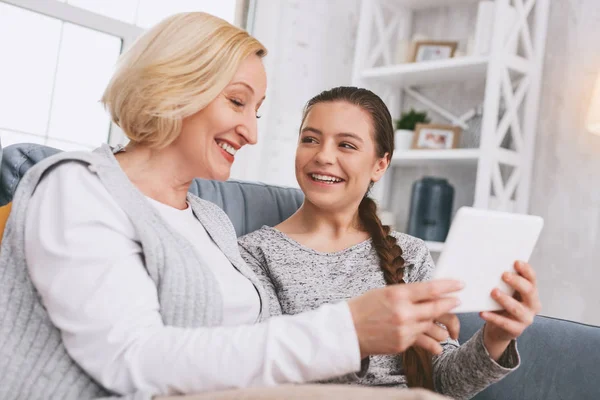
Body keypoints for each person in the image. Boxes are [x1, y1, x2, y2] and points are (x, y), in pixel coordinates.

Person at [0, 13, 463, 400]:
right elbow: (131, 361)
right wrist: (347, 330)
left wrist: (392, 327)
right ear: (175, 86)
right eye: (237, 102)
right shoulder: (76, 186)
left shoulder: (212, 221)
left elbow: (250, 345)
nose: (251, 132)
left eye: (256, 111)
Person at [238, 86, 542, 399]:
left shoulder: (410, 253)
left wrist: (496, 337)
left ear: (380, 165)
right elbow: (264, 373)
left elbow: (444, 384)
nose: (323, 156)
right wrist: (361, 338)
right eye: (310, 139)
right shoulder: (256, 254)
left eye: (346, 145)